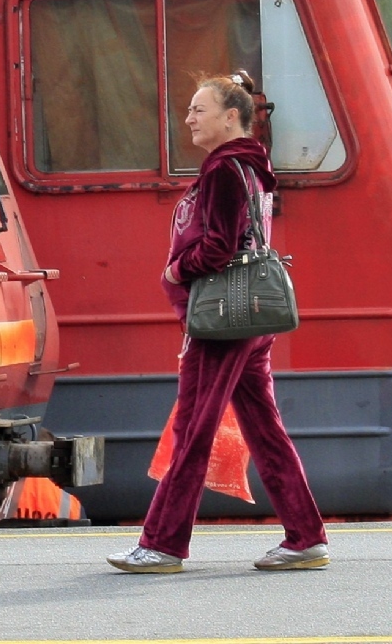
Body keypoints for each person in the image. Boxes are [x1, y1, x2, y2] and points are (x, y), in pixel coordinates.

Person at [107, 73, 328, 574]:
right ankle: (305, 535)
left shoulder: (225, 170)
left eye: (198, 110)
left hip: (221, 322)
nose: (188, 119)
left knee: (193, 430)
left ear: (231, 117)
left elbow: (219, 248)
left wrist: (175, 269)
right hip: (251, 318)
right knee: (264, 429)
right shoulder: (251, 168)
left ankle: (162, 544)